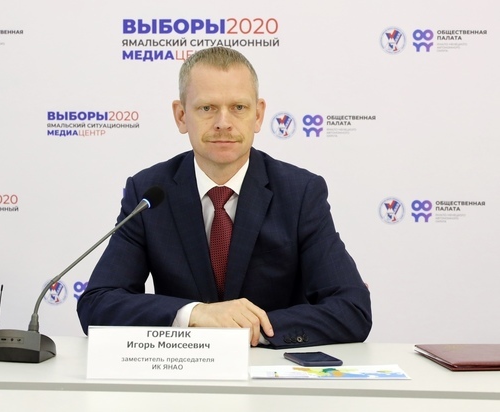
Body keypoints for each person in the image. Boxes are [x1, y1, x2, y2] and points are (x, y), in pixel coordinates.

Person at [77, 46, 371, 348]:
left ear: (258, 115)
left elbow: (352, 309)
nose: (223, 122)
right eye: (207, 108)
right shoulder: (149, 192)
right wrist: (195, 314)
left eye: (239, 107)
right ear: (181, 116)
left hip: (269, 370)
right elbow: (97, 304)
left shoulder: (300, 193)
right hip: (180, 368)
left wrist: (251, 328)